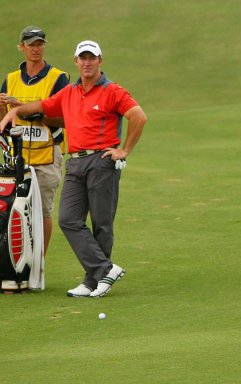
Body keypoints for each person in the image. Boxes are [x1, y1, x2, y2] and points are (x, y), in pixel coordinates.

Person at [0, 40, 147, 298]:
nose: (87, 62)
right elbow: (42, 107)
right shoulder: (69, 92)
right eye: (83, 58)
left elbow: (138, 116)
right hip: (75, 162)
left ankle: (93, 280)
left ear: (100, 60)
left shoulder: (113, 91)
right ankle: (105, 270)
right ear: (76, 61)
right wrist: (17, 110)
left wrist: (124, 150)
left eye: (92, 58)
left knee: (101, 223)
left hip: (102, 161)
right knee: (68, 219)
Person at [0, 26, 70, 256]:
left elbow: (65, 119)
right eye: (31, 44)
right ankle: (17, 262)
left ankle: (37, 266)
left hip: (47, 155)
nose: (36, 49)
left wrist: (22, 107)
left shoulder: (59, 78)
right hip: (16, 158)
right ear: (22, 47)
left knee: (42, 212)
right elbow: (5, 124)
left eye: (40, 44)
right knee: (13, 212)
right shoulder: (10, 79)